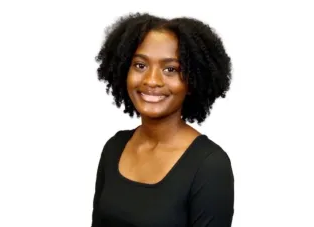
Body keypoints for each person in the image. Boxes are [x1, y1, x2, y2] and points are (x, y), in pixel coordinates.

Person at [91, 12, 234, 227]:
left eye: (170, 69)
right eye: (140, 65)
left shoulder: (210, 165)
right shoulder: (115, 148)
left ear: (193, 80)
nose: (152, 80)